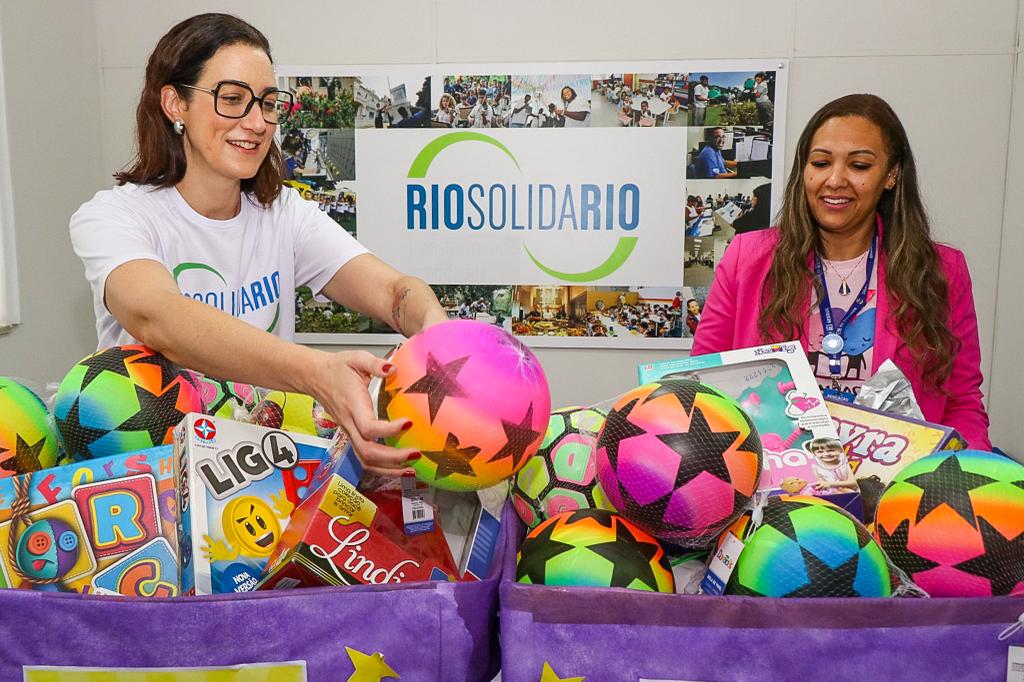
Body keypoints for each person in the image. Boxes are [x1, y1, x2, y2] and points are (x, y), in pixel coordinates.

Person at [69, 13, 449, 476]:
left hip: (266, 481)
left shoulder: (284, 214)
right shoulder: (114, 217)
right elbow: (159, 318)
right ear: (175, 104)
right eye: (232, 99)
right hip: (153, 491)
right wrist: (317, 374)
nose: (256, 122)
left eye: (268, 103)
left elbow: (394, 292)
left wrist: (437, 337)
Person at [692, 94, 990, 449]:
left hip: (894, 489)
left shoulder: (940, 271)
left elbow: (962, 400)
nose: (834, 180)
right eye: (820, 163)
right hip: (774, 485)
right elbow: (703, 385)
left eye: (859, 166)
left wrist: (965, 477)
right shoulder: (747, 258)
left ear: (891, 175)